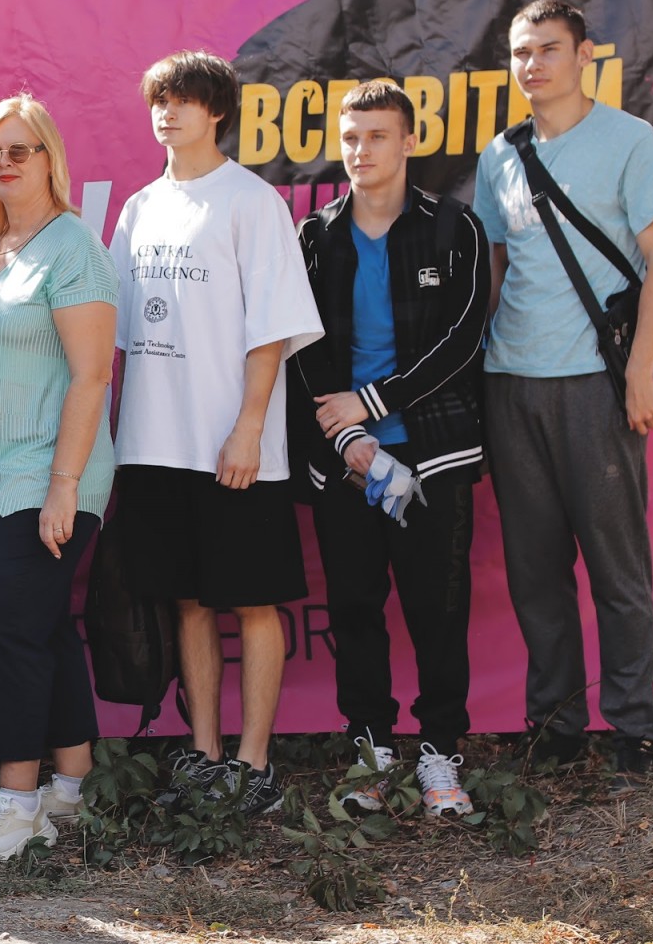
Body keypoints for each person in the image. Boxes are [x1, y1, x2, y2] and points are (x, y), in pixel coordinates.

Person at [474, 0, 653, 789]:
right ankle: (556, 726)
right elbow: (496, 269)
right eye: (522, 52)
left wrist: (640, 372)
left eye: (549, 49)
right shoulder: (501, 152)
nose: (533, 64)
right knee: (534, 570)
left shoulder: (631, 140)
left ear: (586, 55)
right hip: (510, 381)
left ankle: (637, 730)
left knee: (616, 567)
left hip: (598, 383)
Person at [107, 51, 324, 818]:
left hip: (235, 445)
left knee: (254, 602)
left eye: (187, 101)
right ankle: (202, 751)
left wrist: (250, 427)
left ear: (219, 113)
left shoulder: (252, 202)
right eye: (160, 100)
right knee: (189, 603)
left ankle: (254, 761)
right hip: (155, 445)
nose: (170, 114)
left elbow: (271, 330)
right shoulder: (137, 208)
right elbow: (120, 335)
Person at [290, 80, 488, 820]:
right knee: (354, 607)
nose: (361, 150)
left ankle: (441, 753)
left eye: (377, 135)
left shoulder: (452, 229)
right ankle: (372, 750)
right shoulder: (315, 236)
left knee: (439, 608)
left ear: (409, 141)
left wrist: (374, 404)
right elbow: (299, 343)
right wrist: (347, 436)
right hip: (346, 463)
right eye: (350, 137)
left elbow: (464, 341)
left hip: (431, 458)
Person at [0, 96, 118, 860]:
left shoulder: (72, 246)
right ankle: (71, 787)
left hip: (45, 475)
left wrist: (63, 485)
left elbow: (90, 377)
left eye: (21, 149)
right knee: (39, 624)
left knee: (3, 627)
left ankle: (18, 804)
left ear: (50, 157)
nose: (6, 163)